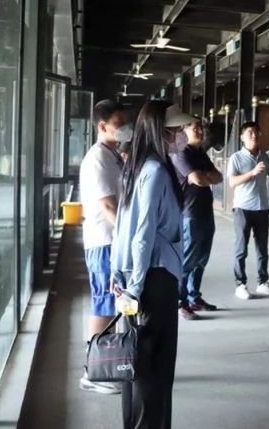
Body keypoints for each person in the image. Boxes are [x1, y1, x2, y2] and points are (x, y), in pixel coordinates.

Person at [111, 102, 193, 429]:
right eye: (175, 130)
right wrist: (135, 287)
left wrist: (118, 271)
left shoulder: (136, 166)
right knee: (155, 369)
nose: (181, 135)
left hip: (136, 277)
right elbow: (142, 233)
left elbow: (122, 225)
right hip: (153, 279)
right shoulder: (157, 171)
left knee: (136, 363)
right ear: (161, 131)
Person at [78, 99, 131, 395]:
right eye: (119, 123)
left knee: (111, 303)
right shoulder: (98, 158)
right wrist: (127, 237)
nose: (125, 128)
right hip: (105, 241)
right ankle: (93, 372)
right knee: (104, 303)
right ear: (102, 126)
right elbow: (108, 205)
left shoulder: (112, 155)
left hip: (112, 239)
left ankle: (107, 364)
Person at [171, 117, 223, 319]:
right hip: (190, 213)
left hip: (205, 211)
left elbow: (219, 177)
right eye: (195, 128)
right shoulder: (181, 153)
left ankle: (194, 297)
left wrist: (204, 176)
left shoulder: (200, 153)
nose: (200, 131)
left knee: (201, 259)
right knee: (187, 260)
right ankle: (180, 302)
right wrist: (204, 176)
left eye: (201, 128)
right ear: (183, 132)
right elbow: (199, 179)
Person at [227, 121, 269, 299]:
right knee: (241, 248)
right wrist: (252, 173)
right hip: (243, 208)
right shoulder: (236, 158)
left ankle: (262, 282)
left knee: (262, 249)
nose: (254, 135)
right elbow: (232, 182)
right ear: (242, 137)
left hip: (262, 208)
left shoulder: (264, 156)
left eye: (257, 132)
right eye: (250, 132)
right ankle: (240, 284)